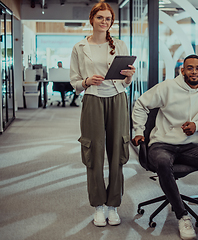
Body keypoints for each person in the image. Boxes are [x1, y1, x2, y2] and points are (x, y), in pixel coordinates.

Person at [132, 54, 198, 240]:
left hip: (188, 147)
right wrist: (138, 130)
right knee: (162, 162)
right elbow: (141, 104)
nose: (194, 72)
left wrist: (197, 125)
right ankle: (182, 215)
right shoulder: (168, 87)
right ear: (182, 70)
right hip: (162, 144)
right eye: (190, 68)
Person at [70, 1, 136, 227]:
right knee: (94, 152)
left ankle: (113, 205)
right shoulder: (80, 47)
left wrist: (129, 76)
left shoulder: (119, 45)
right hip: (93, 100)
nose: (104, 22)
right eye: (100, 18)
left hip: (117, 98)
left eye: (108, 19)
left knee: (117, 150)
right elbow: (74, 81)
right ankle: (99, 205)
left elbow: (126, 82)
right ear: (92, 19)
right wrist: (86, 81)